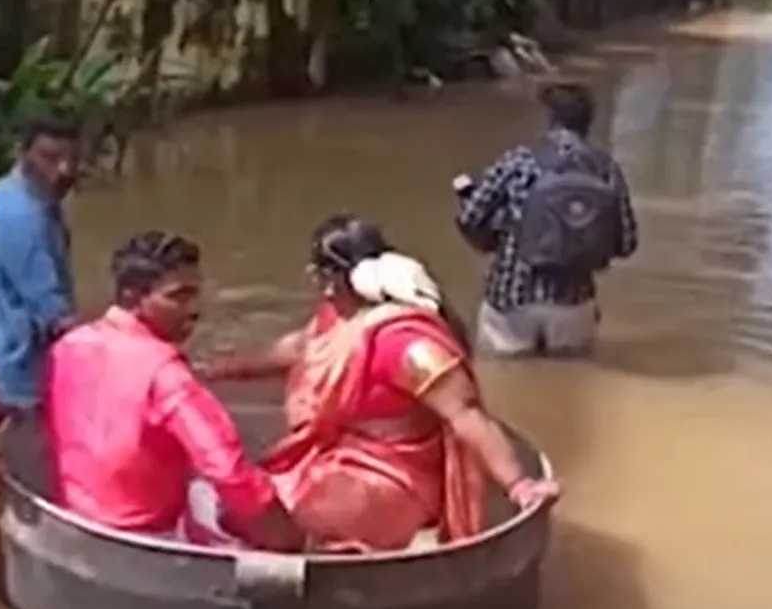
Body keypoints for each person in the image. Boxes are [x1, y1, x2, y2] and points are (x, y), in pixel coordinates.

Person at [200, 216, 559, 552]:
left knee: (262, 519)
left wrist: (520, 485)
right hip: (335, 458)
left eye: (319, 273)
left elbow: (467, 416)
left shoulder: (408, 346)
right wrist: (212, 370)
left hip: (393, 478)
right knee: (240, 504)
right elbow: (291, 350)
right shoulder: (340, 321)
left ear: (333, 279)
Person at [42, 231, 305, 551]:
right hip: (149, 535)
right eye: (179, 296)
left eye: (195, 295)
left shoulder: (69, 347)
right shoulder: (166, 374)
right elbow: (229, 471)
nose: (195, 309)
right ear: (132, 296)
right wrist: (287, 541)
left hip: (82, 518)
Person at [455, 80, 638, 357]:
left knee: (506, 385)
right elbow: (627, 243)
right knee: (571, 392)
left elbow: (470, 219)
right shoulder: (605, 169)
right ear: (588, 124)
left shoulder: (517, 161)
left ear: (549, 120)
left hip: (511, 299)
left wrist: (493, 224)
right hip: (573, 304)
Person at [0, 109, 82, 418]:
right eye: (49, 158)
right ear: (21, 153)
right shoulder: (22, 215)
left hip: (7, 365)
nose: (63, 169)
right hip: (22, 382)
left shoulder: (18, 194)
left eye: (72, 158)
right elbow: (56, 317)